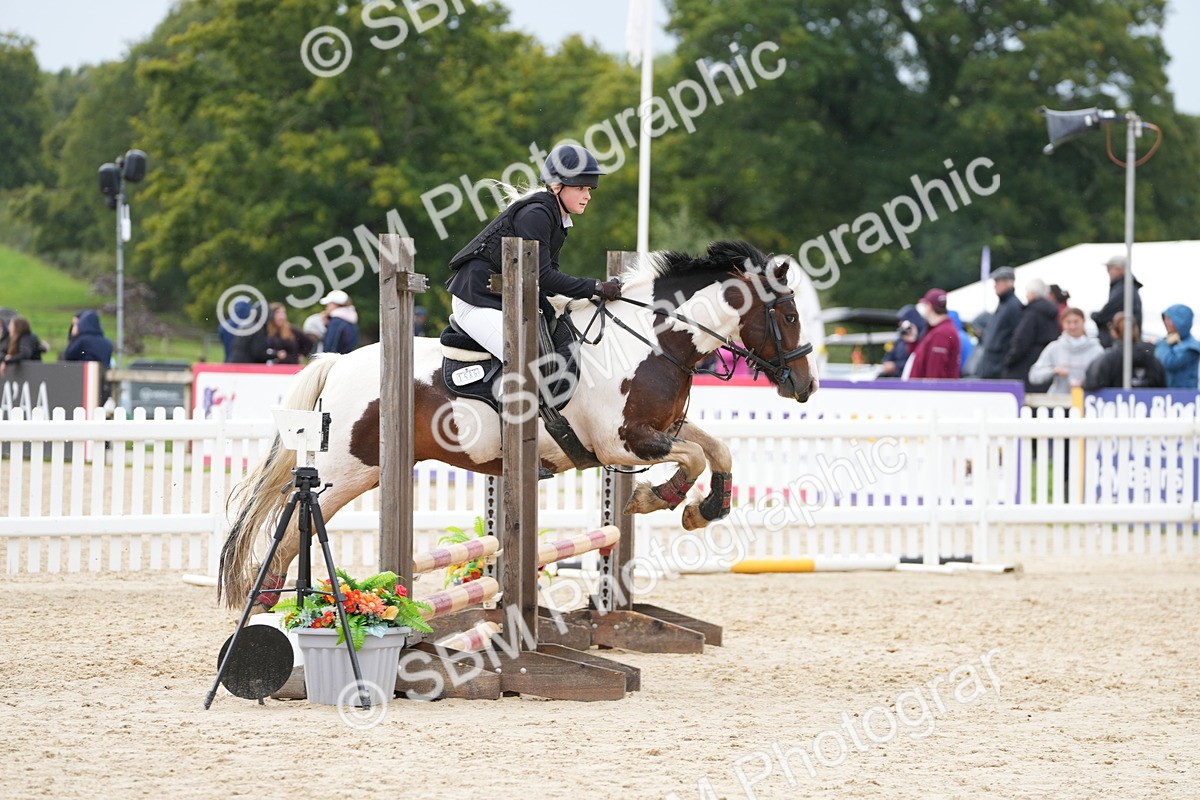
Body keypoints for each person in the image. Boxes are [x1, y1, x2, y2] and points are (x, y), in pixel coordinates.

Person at [445, 144, 622, 360]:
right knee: (524, 357)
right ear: (557, 186)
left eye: (589, 190)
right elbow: (543, 277)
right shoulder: (537, 214)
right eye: (580, 189)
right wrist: (595, 287)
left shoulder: (558, 219)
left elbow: (550, 276)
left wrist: (592, 293)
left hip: (499, 299)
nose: (588, 196)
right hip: (476, 301)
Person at [1028, 307, 1104, 395]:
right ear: (1062, 324)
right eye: (1068, 322)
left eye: (1076, 322)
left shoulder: (1096, 350)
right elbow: (1034, 376)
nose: (1072, 326)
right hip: (1058, 403)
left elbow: (1104, 377)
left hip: (1088, 401)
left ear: (1083, 322)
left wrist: (1086, 383)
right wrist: (1053, 371)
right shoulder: (1054, 348)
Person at [1003, 278, 1061, 390]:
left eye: (1028, 293)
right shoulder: (1052, 313)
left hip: (1026, 367)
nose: (1026, 296)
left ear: (1033, 293)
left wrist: (1009, 360)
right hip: (1045, 364)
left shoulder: (1031, 313)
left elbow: (1021, 340)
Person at [1083, 313, 1164, 390]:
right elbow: (1162, 385)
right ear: (1136, 329)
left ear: (1114, 332)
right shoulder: (1152, 356)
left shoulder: (1107, 359)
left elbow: (1091, 384)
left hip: (1115, 403)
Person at [975, 266, 1022, 378]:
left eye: (997, 281)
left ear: (1008, 282)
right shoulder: (1004, 305)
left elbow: (1015, 339)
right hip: (992, 367)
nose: (994, 285)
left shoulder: (1013, 306)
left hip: (998, 369)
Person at [906, 288, 960, 379]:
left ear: (929, 306)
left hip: (931, 392)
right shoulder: (938, 330)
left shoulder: (941, 333)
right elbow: (923, 360)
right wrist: (912, 342)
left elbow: (935, 374)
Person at [1091, 254, 1142, 348]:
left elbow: (1104, 315)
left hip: (1122, 343)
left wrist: (1094, 315)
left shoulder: (1124, 289)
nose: (1108, 272)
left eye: (1110, 268)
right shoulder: (1125, 287)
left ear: (1119, 269)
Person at [1153, 304, 1200, 389]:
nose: (1166, 323)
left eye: (1169, 319)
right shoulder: (1170, 342)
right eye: (1165, 320)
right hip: (1165, 396)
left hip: (1184, 397)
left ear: (1181, 321)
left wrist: (1162, 344)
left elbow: (1169, 362)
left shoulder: (1192, 347)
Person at [878, 305, 925, 378]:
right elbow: (889, 356)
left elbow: (918, 361)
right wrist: (887, 364)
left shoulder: (923, 339)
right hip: (896, 377)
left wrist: (895, 366)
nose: (901, 325)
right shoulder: (899, 340)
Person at [320, 289, 359, 355]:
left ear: (335, 304)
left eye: (328, 304)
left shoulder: (336, 322)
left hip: (336, 361)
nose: (326, 307)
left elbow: (330, 346)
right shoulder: (349, 320)